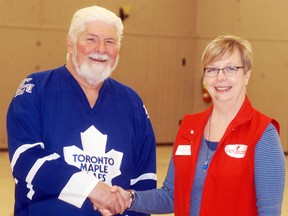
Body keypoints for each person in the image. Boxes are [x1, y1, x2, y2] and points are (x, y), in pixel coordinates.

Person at [106, 35, 286, 216]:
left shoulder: (263, 133)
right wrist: (129, 198)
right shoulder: (189, 127)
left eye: (231, 68)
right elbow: (171, 196)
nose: (220, 77)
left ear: (247, 74)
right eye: (212, 70)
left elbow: (269, 212)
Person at [6, 5, 157, 216]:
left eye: (110, 41)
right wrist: (92, 188)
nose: (102, 49)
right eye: (91, 39)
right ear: (70, 43)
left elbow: (144, 178)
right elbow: (25, 158)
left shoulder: (131, 102)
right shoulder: (36, 90)